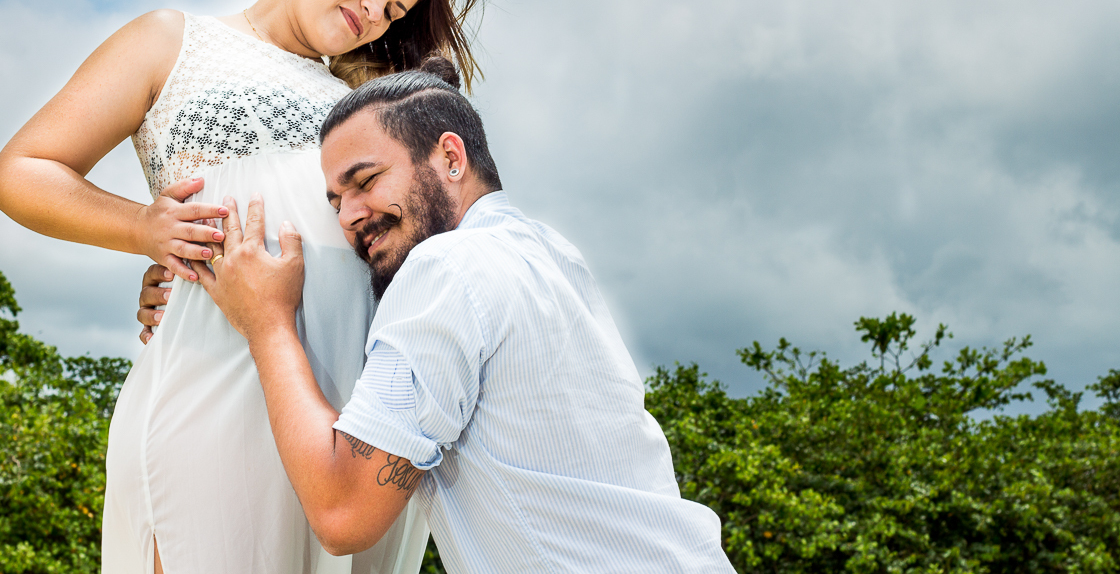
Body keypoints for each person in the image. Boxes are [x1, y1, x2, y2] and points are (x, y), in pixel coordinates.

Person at [0, 0, 485, 574]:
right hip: (216, 369)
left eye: (392, 10)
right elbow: (22, 171)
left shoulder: (371, 98)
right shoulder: (176, 41)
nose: (374, 12)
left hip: (351, 407)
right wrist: (142, 228)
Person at [187, 60, 738, 573]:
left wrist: (268, 324)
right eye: (334, 202)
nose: (349, 217)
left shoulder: (446, 267)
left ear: (451, 158)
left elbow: (344, 514)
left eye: (366, 180)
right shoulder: (551, 253)